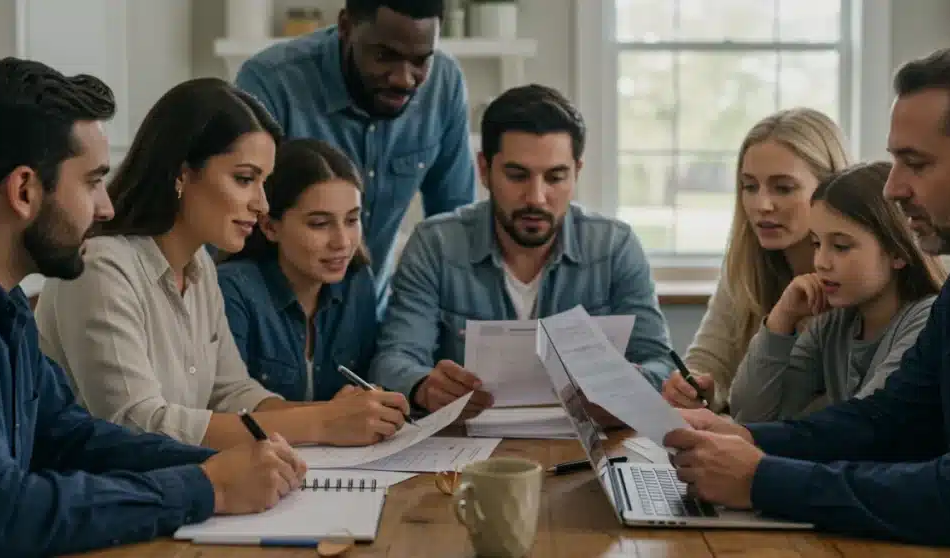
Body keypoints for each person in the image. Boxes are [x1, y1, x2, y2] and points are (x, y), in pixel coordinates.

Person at [663, 39, 950, 553]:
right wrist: (748, 439)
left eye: (915, 164)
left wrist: (761, 479)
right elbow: (888, 421)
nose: (892, 189)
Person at [0, 57, 306, 556]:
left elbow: (69, 436)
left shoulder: (7, 312)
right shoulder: (99, 267)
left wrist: (212, 465)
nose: (105, 207)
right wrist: (208, 486)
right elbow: (3, 512)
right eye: (91, 182)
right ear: (24, 190)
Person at [34, 77, 410, 452]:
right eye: (244, 179)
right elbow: (136, 423)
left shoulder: (199, 265)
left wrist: (340, 415)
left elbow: (231, 392)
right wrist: (322, 421)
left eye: (264, 183)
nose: (262, 204)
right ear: (182, 174)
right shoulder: (99, 266)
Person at [369, 84, 674, 424]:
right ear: (484, 170)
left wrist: (632, 384)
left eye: (555, 177)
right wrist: (423, 386)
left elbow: (661, 363)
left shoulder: (615, 246)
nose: (536, 198)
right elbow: (393, 361)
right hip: (465, 446)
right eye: (517, 176)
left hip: (586, 442)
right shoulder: (435, 244)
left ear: (577, 172)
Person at [235, 0, 475, 313]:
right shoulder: (271, 82)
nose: (403, 79)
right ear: (346, 27)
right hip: (276, 312)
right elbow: (237, 225)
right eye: (384, 56)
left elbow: (454, 227)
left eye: (420, 61)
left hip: (372, 313)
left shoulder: (445, 84)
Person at [661, 107, 852, 412]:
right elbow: (707, 364)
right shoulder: (744, 266)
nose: (762, 204)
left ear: (830, 188)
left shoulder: (854, 281)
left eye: (783, 188)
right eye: (750, 186)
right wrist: (694, 387)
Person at [729, 161, 946, 422]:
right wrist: (781, 319)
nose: (821, 262)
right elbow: (750, 415)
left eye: (841, 246)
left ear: (897, 252)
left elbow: (866, 425)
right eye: (816, 244)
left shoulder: (927, 321)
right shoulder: (832, 323)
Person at [217, 139, 379, 401]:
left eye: (351, 220)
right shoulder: (232, 290)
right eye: (319, 224)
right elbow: (226, 405)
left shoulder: (357, 282)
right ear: (270, 226)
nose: (342, 242)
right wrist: (335, 416)